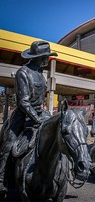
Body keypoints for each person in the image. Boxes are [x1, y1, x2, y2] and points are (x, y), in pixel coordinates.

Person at [0, 41, 57, 195]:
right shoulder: (23, 72)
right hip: (23, 114)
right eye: (46, 57)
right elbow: (23, 102)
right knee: (8, 145)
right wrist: (36, 118)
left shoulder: (40, 73)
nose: (48, 60)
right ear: (39, 57)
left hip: (40, 113)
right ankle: (1, 180)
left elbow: (41, 100)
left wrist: (44, 115)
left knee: (60, 133)